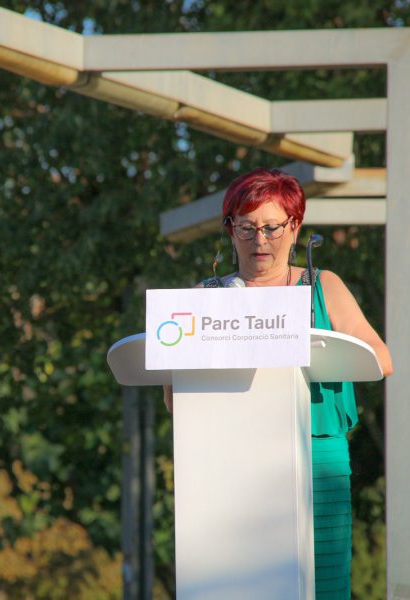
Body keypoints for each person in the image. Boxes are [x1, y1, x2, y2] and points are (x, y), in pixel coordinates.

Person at [163, 167, 393, 599]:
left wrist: (313, 349)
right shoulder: (205, 297)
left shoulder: (323, 286)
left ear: (295, 227)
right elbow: (177, 397)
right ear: (229, 231)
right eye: (246, 227)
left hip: (317, 459)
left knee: (323, 585)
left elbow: (381, 358)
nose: (260, 240)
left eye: (272, 227)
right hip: (228, 464)